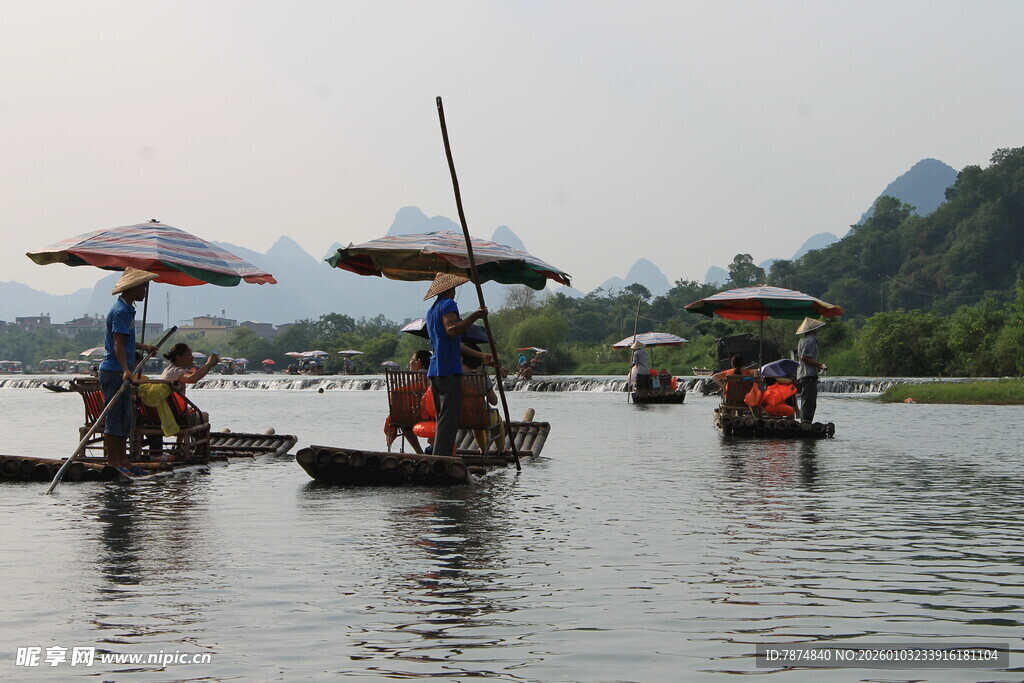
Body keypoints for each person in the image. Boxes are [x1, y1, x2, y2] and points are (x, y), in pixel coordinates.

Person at [98, 267, 159, 476]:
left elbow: (128, 341)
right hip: (114, 371)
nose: (144, 291)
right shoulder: (120, 311)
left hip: (121, 370)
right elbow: (117, 344)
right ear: (132, 288)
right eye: (143, 287)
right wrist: (126, 370)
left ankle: (123, 459)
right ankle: (113, 462)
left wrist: (145, 348)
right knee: (114, 416)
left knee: (125, 418)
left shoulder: (128, 310)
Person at [424, 272, 490, 458]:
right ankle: (441, 460)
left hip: (435, 371)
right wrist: (475, 316)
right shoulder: (448, 304)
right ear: (450, 289)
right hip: (448, 370)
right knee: (449, 420)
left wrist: (480, 355)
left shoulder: (431, 311)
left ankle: (438, 457)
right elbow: (452, 330)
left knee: (442, 418)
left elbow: (452, 342)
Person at [796, 317, 827, 422]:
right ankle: (806, 423)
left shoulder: (802, 340)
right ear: (813, 330)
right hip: (808, 374)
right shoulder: (810, 340)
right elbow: (804, 357)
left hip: (803, 374)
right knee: (809, 402)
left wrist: (816, 365)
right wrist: (818, 365)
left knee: (806, 401)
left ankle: (804, 421)